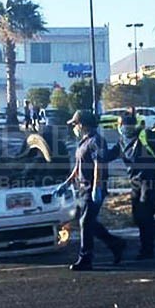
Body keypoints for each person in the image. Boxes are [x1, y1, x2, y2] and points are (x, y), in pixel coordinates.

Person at [56, 110, 126, 271]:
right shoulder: (84, 142)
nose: (74, 127)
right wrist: (67, 183)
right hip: (82, 188)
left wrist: (97, 188)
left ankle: (85, 258)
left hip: (92, 188)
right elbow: (79, 166)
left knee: (85, 223)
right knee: (90, 223)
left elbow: (98, 165)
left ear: (82, 124)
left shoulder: (96, 141)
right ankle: (116, 244)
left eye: (75, 124)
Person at [118, 112, 155, 260]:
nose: (126, 128)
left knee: (144, 216)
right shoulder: (122, 140)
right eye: (124, 125)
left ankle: (147, 249)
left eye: (129, 125)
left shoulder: (147, 136)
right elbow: (108, 155)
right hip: (135, 182)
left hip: (152, 181)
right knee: (138, 217)